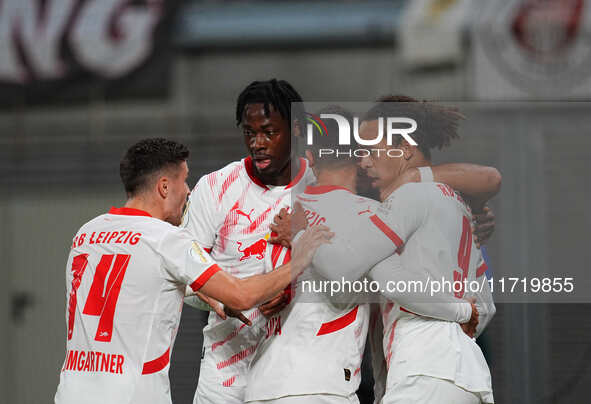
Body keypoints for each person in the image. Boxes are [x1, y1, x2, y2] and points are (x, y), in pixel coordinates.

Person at [54, 138, 331, 404]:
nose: (188, 191)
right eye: (184, 180)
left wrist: (210, 295)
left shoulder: (87, 233)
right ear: (164, 187)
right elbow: (242, 296)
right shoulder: (166, 239)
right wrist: (300, 257)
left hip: (72, 392)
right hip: (134, 395)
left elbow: (134, 288)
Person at [243, 105, 480, 404]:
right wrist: (462, 310)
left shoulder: (278, 214)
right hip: (321, 388)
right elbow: (397, 283)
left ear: (311, 159)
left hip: (261, 384)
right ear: (360, 158)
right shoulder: (370, 216)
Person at [308, 98, 498, 403]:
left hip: (424, 370)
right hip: (468, 375)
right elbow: (485, 307)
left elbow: (345, 269)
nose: (363, 161)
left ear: (405, 147)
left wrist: (305, 233)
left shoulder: (406, 198)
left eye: (370, 150)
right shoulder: (459, 206)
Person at [182, 79, 317, 404]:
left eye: (269, 132)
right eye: (249, 132)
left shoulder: (323, 188)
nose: (257, 142)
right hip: (224, 379)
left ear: (297, 129)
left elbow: (352, 272)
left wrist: (292, 289)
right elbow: (183, 278)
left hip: (301, 375)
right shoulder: (214, 187)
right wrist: (223, 299)